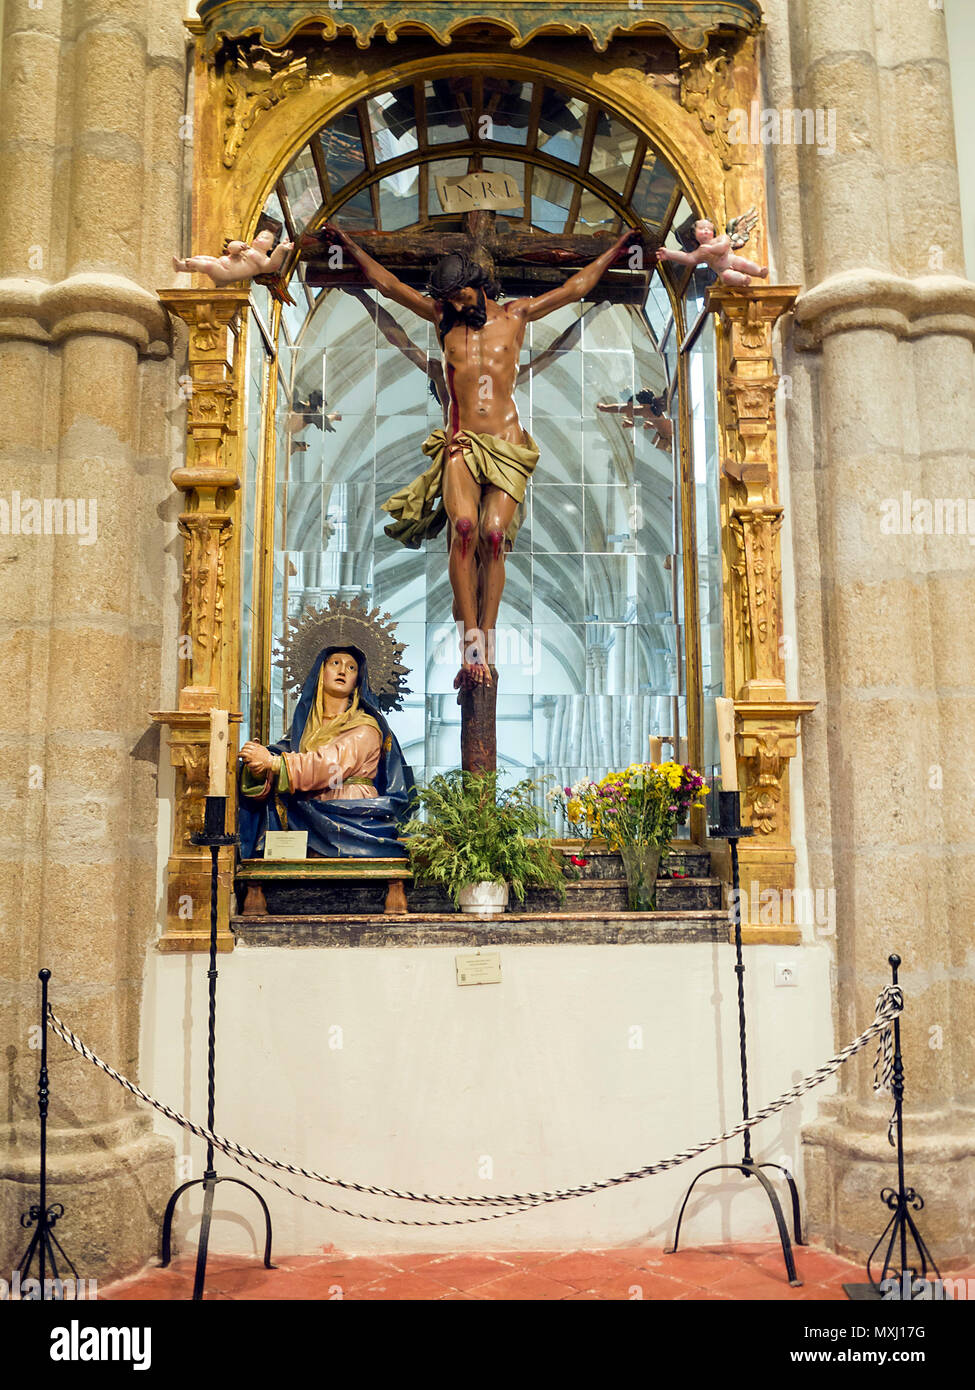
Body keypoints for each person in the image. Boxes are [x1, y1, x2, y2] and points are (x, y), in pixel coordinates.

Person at [323, 222, 640, 687]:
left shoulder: (517, 315)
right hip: (464, 443)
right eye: (449, 300)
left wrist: (615, 251)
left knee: (493, 537)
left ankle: (485, 642)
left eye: (460, 297)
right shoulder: (442, 319)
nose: (455, 306)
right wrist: (350, 247)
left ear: (478, 285)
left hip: (508, 445)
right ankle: (469, 642)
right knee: (465, 529)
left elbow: (574, 289)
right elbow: (388, 286)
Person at [237, 645, 414, 858]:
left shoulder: (365, 727)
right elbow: (283, 760)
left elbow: (330, 764)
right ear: (321, 673)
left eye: (351, 668)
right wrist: (258, 769)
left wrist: (273, 763)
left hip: (352, 817)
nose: (343, 671)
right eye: (335, 663)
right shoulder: (304, 731)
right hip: (307, 818)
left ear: (357, 682)